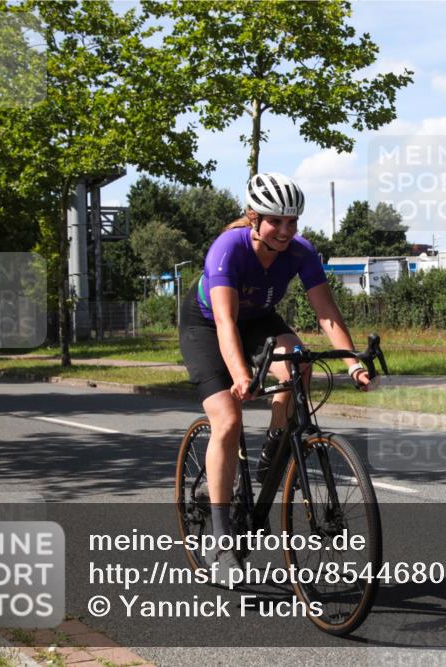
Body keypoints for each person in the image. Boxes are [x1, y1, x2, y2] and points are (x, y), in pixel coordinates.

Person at [178, 172, 371, 570]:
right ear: (253, 218)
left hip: (259, 319)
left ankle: (275, 446)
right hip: (208, 325)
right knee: (228, 420)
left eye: (292, 222)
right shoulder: (227, 249)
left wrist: (353, 363)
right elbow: (226, 323)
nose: (285, 231)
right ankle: (221, 539)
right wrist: (240, 376)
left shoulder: (300, 251)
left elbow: (326, 313)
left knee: (299, 361)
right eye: (276, 221)